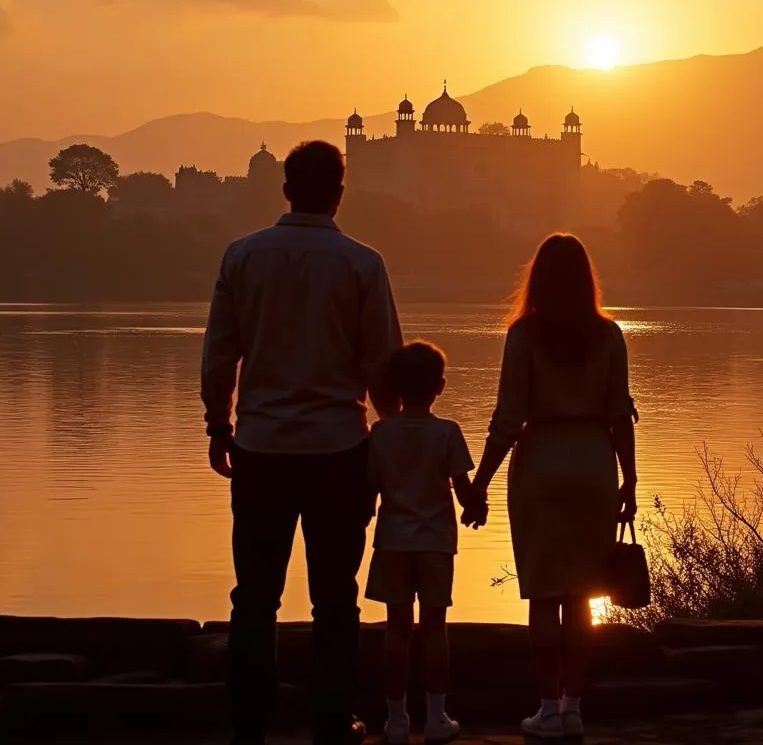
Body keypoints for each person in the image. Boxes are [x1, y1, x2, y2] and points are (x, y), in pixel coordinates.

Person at [201, 140, 403, 745]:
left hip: (260, 448)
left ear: (285, 189)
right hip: (339, 450)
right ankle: (331, 721)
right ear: (340, 194)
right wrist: (391, 437)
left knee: (254, 597)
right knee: (335, 600)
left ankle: (249, 724)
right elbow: (383, 364)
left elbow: (220, 354)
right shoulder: (362, 264)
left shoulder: (243, 256)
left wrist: (219, 423)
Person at [465, 234, 638, 740]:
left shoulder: (523, 336)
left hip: (540, 462)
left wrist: (479, 483)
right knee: (582, 595)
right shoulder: (610, 335)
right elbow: (618, 413)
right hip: (593, 463)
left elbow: (507, 419)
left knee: (543, 595)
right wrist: (629, 476)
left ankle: (546, 708)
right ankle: (574, 707)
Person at [366, 341, 476, 745]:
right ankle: (436, 717)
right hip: (435, 545)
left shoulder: (380, 433)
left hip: (393, 542)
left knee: (396, 631)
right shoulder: (447, 433)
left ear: (394, 387)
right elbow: (463, 488)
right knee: (434, 630)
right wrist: (475, 508)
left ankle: (396, 721)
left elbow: (370, 490)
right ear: (440, 387)